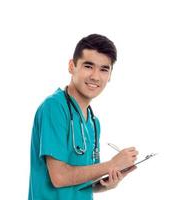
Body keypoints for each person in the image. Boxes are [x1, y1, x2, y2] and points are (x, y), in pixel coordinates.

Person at [28, 34, 138, 200]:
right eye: (88, 66)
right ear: (72, 66)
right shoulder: (54, 108)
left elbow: (83, 182)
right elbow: (59, 177)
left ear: (110, 75)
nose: (95, 76)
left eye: (104, 69)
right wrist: (111, 164)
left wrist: (106, 183)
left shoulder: (93, 123)